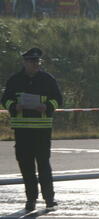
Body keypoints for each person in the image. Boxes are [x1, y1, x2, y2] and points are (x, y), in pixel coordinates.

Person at [1, 48, 63, 211]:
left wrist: (48, 106)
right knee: (26, 167)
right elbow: (5, 100)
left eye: (37, 62)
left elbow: (58, 99)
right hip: (22, 132)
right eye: (32, 62)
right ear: (25, 63)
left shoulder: (47, 79)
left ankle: (49, 199)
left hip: (42, 131)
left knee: (43, 165)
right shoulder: (15, 80)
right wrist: (15, 106)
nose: (36, 64)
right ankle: (31, 199)